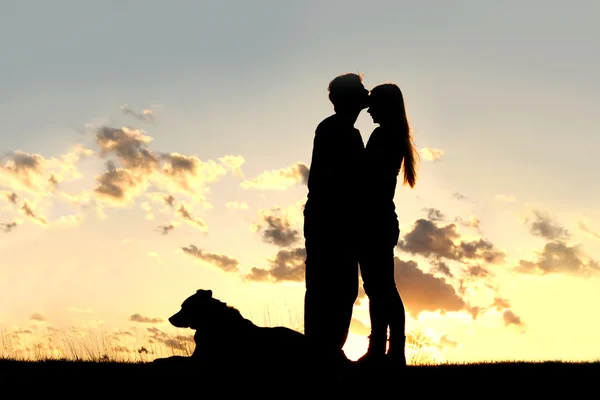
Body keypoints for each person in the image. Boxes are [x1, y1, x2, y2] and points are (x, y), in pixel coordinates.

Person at [303, 72, 370, 368]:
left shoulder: (336, 128)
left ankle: (325, 350)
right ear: (349, 98)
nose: (366, 92)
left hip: (328, 218)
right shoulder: (340, 130)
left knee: (333, 287)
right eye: (361, 89)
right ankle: (324, 351)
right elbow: (351, 180)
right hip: (332, 221)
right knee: (333, 287)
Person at [356, 83, 419, 369]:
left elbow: (364, 176)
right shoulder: (394, 136)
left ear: (385, 106)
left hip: (375, 221)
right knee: (380, 288)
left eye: (374, 104)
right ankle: (384, 350)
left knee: (381, 289)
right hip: (380, 219)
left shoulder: (383, 136)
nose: (368, 109)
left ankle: (389, 351)